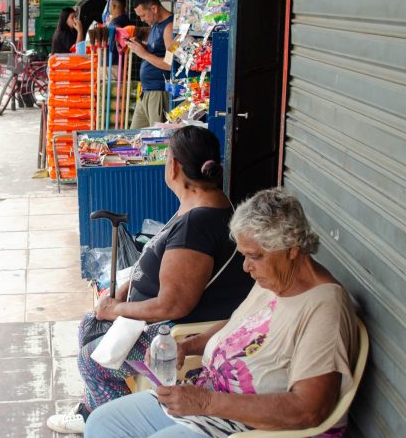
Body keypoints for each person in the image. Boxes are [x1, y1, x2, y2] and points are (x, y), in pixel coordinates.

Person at [85, 188, 359, 438]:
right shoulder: (277, 280)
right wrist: (187, 346)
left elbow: (309, 409)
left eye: (255, 256)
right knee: (101, 423)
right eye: (244, 255)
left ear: (292, 250)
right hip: (208, 399)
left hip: (248, 426)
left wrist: (206, 402)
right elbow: (240, 325)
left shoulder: (325, 307)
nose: (246, 267)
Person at [46, 126, 254, 434]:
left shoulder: (197, 225)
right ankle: (91, 408)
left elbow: (173, 304)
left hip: (173, 330)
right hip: (161, 318)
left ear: (174, 166)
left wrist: (116, 309)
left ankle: (116, 422)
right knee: (90, 325)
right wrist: (125, 291)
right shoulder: (206, 203)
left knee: (92, 361)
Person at [126, 0, 173, 128]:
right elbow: (156, 51)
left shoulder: (169, 27)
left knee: (158, 137)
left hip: (158, 92)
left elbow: (170, 64)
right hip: (146, 92)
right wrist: (140, 47)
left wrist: (144, 54)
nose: (142, 20)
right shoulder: (155, 25)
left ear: (154, 8)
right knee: (134, 135)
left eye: (143, 15)